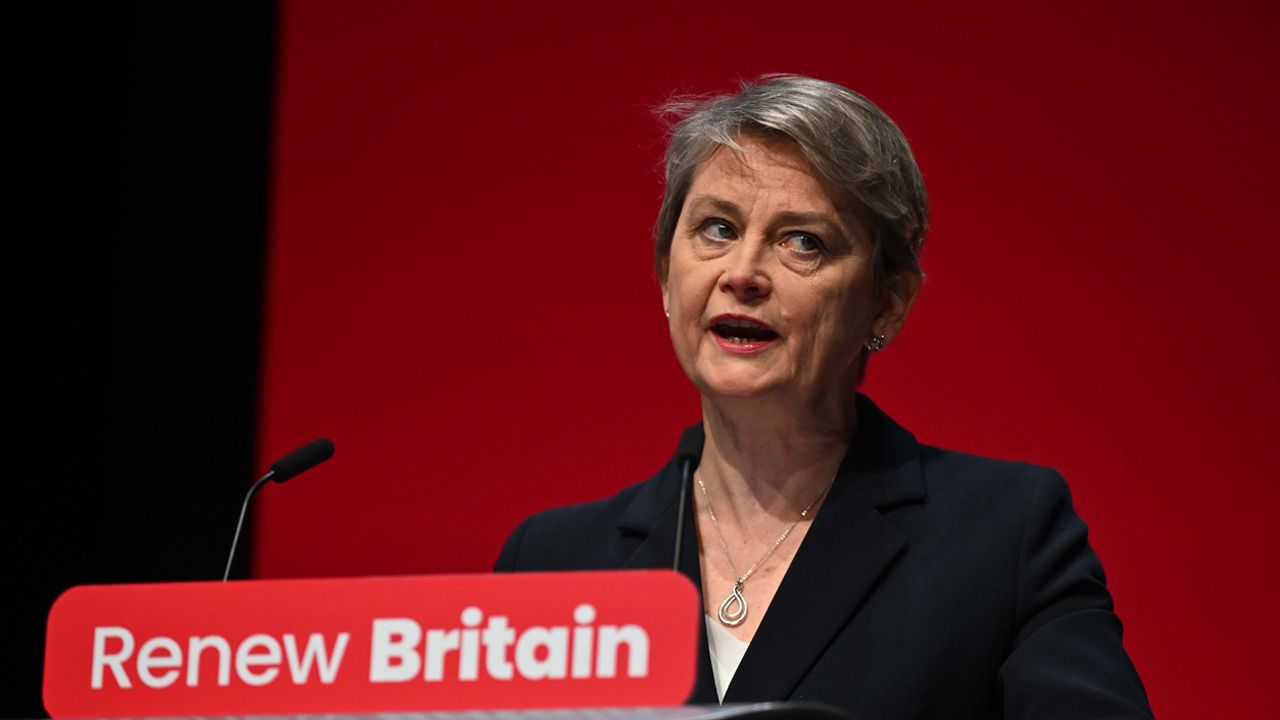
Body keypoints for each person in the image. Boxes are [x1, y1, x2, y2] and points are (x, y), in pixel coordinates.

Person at [495, 74, 1153, 719]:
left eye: (802, 242)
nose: (743, 273)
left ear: (887, 304)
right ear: (667, 275)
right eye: (718, 228)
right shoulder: (554, 565)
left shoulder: (1003, 537)